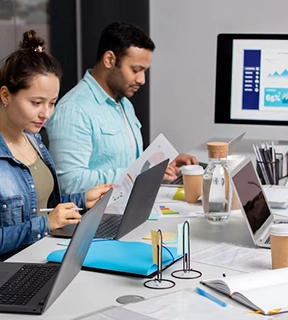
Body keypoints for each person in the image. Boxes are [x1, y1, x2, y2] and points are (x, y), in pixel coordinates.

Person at [46, 21, 198, 194]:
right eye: (136, 70)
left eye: (144, 71)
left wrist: (163, 163)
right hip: (96, 217)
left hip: (128, 206)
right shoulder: (74, 110)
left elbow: (126, 161)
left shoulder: (124, 103)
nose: (142, 80)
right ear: (109, 60)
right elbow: (69, 183)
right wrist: (141, 173)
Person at [0, 30, 112, 256]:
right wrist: (45, 225)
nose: (46, 113)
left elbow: (37, 205)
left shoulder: (33, 139)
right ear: (5, 95)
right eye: (36, 102)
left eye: (52, 103)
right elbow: (41, 221)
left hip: (42, 255)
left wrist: (81, 200)